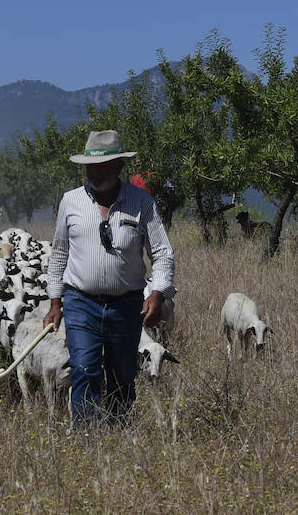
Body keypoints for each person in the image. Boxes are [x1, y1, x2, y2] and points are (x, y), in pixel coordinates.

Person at [43, 129, 175, 429]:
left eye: (102, 167)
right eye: (90, 167)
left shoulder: (142, 202)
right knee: (84, 368)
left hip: (126, 305)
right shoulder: (71, 201)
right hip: (81, 301)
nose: (95, 173)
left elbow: (162, 253)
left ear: (119, 166)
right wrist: (55, 301)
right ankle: (88, 437)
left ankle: (119, 432)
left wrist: (157, 294)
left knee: (123, 374)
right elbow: (59, 253)